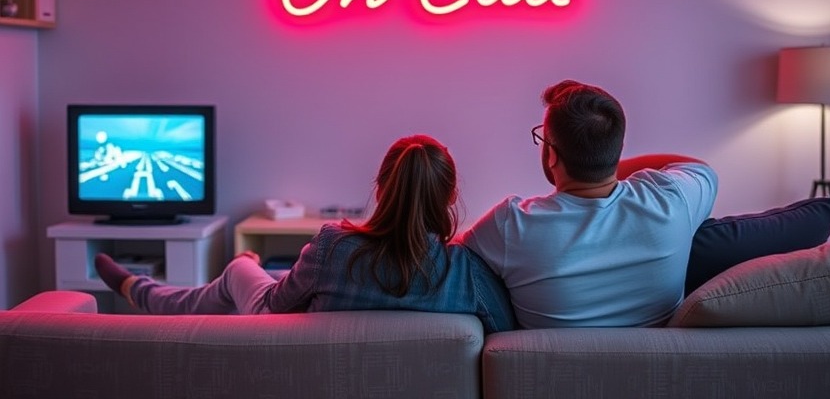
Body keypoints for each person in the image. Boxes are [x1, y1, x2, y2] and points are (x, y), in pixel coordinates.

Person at [95, 135, 516, 334]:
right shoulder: (468, 273)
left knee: (241, 270)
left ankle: (141, 291)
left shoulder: (334, 246)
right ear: (450, 197)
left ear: (381, 187)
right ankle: (147, 288)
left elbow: (274, 310)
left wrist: (248, 265)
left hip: (293, 324)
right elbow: (506, 334)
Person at [457, 80, 718, 329]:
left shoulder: (511, 226)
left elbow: (455, 252)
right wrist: (604, 161)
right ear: (618, 148)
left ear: (552, 155)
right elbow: (698, 168)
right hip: (654, 369)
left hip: (552, 371)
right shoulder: (672, 202)